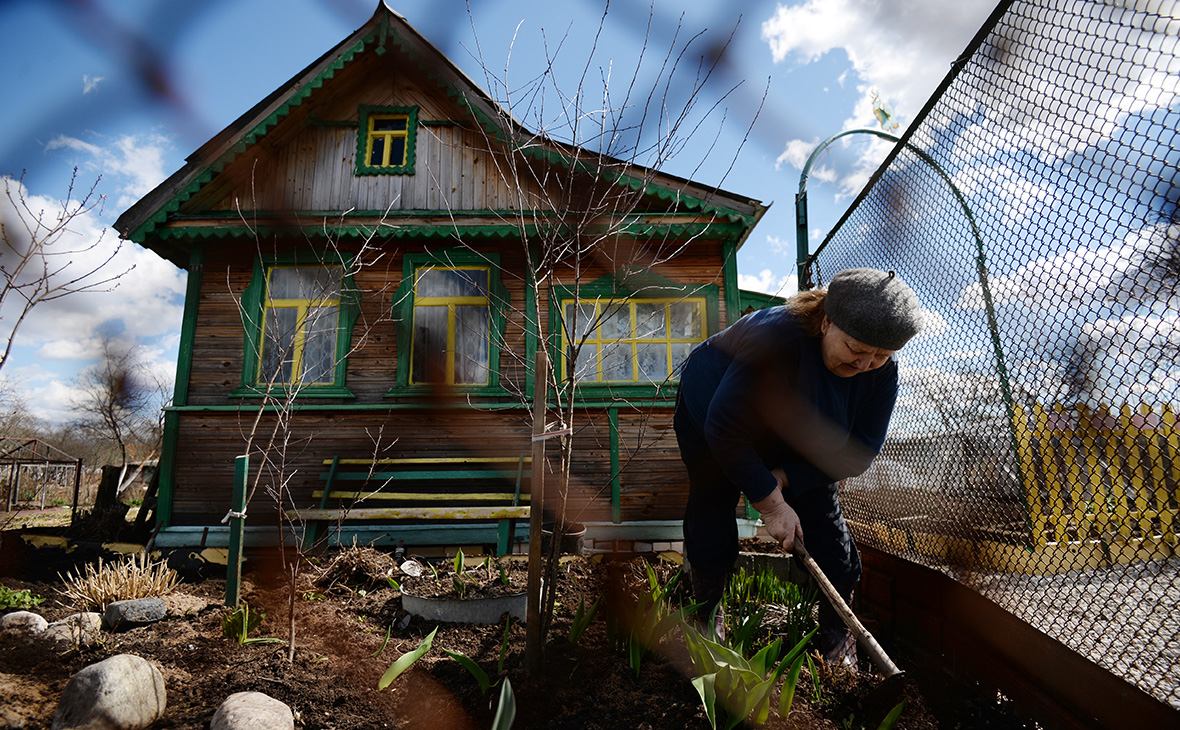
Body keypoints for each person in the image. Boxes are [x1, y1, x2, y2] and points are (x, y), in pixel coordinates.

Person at [673, 267, 922, 665]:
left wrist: (789, 477)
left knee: (826, 532)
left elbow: (858, 451)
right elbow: (724, 426)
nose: (864, 364)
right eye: (856, 349)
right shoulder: (776, 339)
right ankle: (706, 614)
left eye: (880, 356)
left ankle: (837, 636)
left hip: (796, 440)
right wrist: (771, 503)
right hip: (713, 418)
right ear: (826, 322)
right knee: (713, 503)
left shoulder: (880, 375)